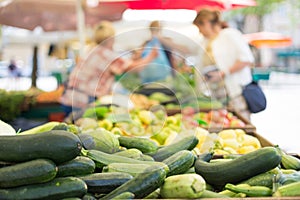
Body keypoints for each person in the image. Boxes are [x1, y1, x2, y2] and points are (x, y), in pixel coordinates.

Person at [60, 21, 158, 116]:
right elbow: (134, 68)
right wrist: (151, 56)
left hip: (70, 98)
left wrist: (136, 57)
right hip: (83, 101)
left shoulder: (93, 50)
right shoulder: (105, 54)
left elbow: (122, 63)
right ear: (110, 38)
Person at [193, 9, 254, 120]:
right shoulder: (206, 41)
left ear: (206, 22)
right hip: (217, 96)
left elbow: (246, 59)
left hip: (235, 92)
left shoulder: (230, 34)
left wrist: (223, 73)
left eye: (199, 28)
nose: (200, 32)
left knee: (240, 123)